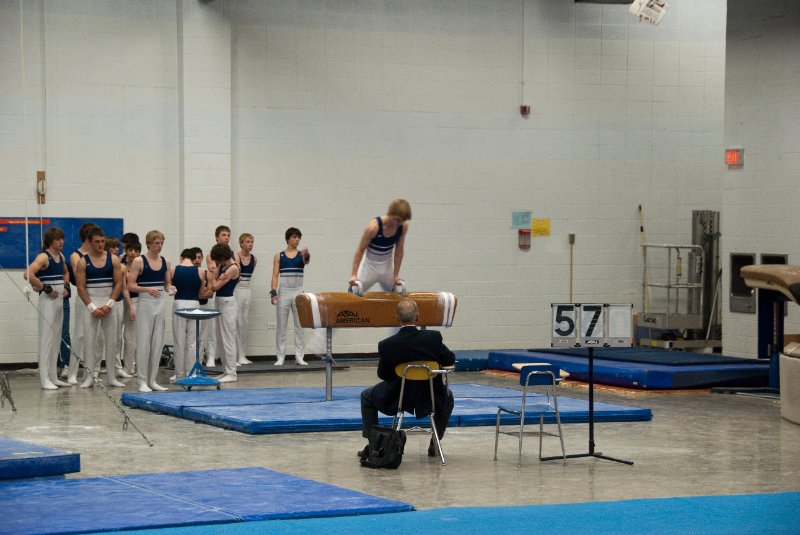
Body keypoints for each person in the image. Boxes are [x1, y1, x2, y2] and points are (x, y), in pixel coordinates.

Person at [360, 299, 455, 457]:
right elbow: (449, 360)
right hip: (430, 397)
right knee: (448, 397)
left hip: (399, 397)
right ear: (417, 317)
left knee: (366, 396)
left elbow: (383, 374)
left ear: (397, 318)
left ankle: (374, 445)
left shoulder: (387, 345)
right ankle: (435, 443)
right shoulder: (433, 338)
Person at [74, 227, 123, 388]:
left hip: (108, 304)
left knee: (112, 342)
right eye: (97, 242)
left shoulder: (113, 259)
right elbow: (80, 287)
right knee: (90, 342)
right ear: (89, 242)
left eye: (102, 241)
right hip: (92, 305)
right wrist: (92, 307)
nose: (100, 245)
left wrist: (109, 304)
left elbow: (119, 284)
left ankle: (111, 377)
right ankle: (89, 377)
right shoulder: (83, 261)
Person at [127, 230, 171, 392]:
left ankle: (152, 380)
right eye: (156, 243)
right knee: (144, 342)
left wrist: (170, 288)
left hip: (159, 303)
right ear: (149, 244)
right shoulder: (139, 261)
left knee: (157, 343)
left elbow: (166, 285)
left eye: (161, 243)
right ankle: (142, 381)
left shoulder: (166, 262)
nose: (159, 246)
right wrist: (146, 289)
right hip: (144, 302)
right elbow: (130, 285)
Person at [27, 227, 71, 389]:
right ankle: (44, 378)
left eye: (62, 239)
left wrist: (65, 286)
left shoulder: (61, 256)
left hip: (59, 300)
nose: (61, 242)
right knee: (46, 340)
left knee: (56, 339)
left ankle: (53, 377)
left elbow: (66, 272)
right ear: (50, 241)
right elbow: (28, 274)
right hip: (48, 301)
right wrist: (45, 287)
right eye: (58, 239)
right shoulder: (43, 257)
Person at [349, 199, 411, 294]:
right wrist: (353, 274)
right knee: (354, 292)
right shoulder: (373, 227)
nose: (399, 223)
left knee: (399, 293)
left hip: (387, 268)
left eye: (402, 221)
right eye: (397, 220)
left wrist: (396, 275)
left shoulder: (402, 227)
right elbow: (360, 250)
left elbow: (399, 252)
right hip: (368, 268)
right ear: (390, 213)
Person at [65, 222, 99, 384]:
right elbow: (81, 276)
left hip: (99, 296)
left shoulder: (100, 254)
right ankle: (72, 373)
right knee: (79, 335)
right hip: (83, 296)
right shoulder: (75, 256)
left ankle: (92, 372)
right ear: (88, 239)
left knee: (96, 337)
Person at [270, 227, 310, 366]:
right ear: (288, 239)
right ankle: (280, 357)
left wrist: (306, 255)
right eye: (294, 237)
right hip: (284, 291)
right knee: (281, 326)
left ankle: (299, 356)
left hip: (298, 291)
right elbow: (275, 275)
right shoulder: (279, 256)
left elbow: (307, 261)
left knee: (300, 326)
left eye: (298, 237)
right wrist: (273, 292)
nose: (297, 239)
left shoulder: (302, 255)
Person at [171, 248, 210, 381]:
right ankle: (191, 373)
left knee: (179, 341)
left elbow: (172, 289)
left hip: (179, 303)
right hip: (194, 304)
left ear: (181, 258)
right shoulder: (200, 271)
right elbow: (200, 293)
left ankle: (179, 373)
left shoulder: (173, 270)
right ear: (194, 259)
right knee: (192, 341)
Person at [209, 243, 240, 382]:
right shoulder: (223, 266)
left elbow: (214, 286)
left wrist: (212, 275)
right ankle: (226, 370)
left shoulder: (233, 268)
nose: (216, 262)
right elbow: (215, 282)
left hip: (228, 303)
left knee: (228, 338)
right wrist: (215, 274)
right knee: (220, 338)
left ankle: (232, 372)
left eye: (217, 259)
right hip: (220, 302)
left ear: (222, 257)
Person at [203, 226, 231, 368]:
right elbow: (213, 272)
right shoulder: (211, 254)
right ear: (216, 237)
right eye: (223, 235)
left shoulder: (233, 255)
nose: (226, 237)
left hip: (227, 292)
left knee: (227, 327)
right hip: (214, 290)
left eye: (228, 235)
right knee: (212, 326)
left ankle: (228, 357)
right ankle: (211, 356)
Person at [234, 233, 256, 366]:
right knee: (237, 323)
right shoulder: (236, 256)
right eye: (248, 242)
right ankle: (236, 355)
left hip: (248, 290)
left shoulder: (254, 259)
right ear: (241, 243)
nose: (250, 244)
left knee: (245, 323)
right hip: (237, 290)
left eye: (252, 242)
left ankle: (242, 355)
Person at [120, 241, 141, 377]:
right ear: (126, 251)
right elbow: (124, 288)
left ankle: (132, 366)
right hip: (122, 300)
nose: (133, 253)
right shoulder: (121, 264)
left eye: (136, 250)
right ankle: (125, 367)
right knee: (123, 336)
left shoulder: (141, 265)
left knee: (132, 335)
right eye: (130, 250)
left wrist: (132, 306)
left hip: (137, 300)